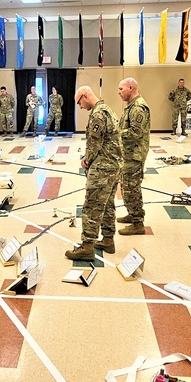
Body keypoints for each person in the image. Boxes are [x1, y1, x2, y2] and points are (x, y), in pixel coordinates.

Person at [65, 86, 120, 261]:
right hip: (113, 165)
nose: (80, 106)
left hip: (102, 167)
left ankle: (87, 246)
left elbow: (94, 143)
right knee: (108, 205)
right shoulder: (108, 110)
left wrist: (86, 159)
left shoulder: (97, 114)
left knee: (92, 205)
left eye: (79, 102)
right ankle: (108, 240)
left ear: (85, 95)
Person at [116, 78, 151, 239]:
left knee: (132, 188)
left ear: (131, 88)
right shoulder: (130, 106)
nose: (119, 92)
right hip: (129, 154)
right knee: (126, 187)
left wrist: (115, 134)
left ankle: (138, 223)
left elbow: (136, 133)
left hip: (135, 155)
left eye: (121, 89)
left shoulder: (138, 107)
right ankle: (132, 213)